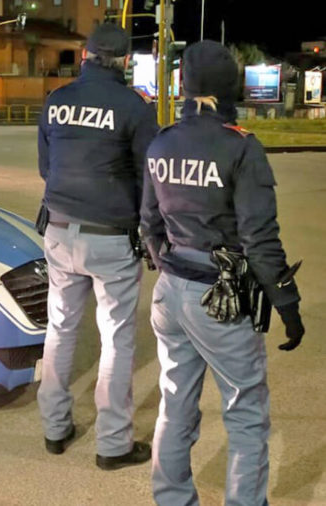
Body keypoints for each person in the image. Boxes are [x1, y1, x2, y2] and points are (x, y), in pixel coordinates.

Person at [141, 40, 305, 505]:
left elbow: (149, 223)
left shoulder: (162, 141)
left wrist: (167, 267)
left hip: (171, 290)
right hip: (220, 299)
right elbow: (260, 240)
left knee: (175, 406)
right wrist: (287, 304)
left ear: (185, 86)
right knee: (246, 414)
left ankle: (172, 499)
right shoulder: (241, 148)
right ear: (231, 88)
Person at [36, 23, 158, 470]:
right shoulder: (133, 108)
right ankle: (112, 444)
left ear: (85, 55)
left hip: (59, 231)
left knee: (61, 329)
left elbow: (46, 168)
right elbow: (150, 179)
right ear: (124, 61)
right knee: (116, 338)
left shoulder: (57, 101)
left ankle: (54, 428)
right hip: (111, 239)